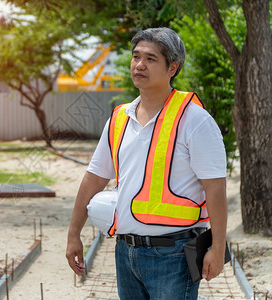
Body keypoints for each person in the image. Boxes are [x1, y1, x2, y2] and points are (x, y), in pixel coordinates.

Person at [66, 27, 228, 300]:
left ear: (172, 67)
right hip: (125, 252)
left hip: (174, 255)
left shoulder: (195, 120)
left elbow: (215, 189)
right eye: (136, 56)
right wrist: (73, 235)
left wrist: (218, 249)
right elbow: (94, 178)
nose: (139, 65)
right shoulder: (119, 119)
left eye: (151, 59)